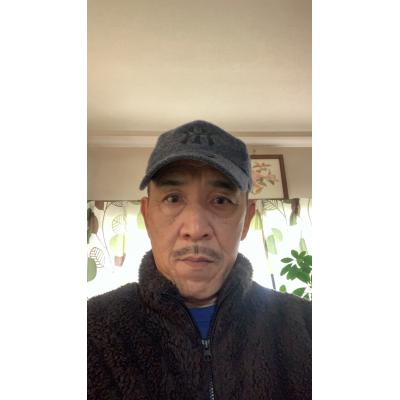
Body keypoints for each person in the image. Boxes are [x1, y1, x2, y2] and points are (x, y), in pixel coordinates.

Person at [87, 120, 311, 400]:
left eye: (221, 201)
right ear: (147, 216)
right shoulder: (91, 332)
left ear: (246, 220)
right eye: (173, 199)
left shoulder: (307, 327)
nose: (195, 228)